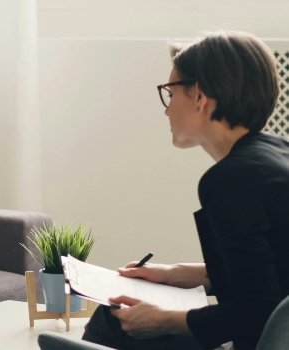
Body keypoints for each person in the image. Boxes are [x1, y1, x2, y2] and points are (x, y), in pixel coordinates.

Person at [82, 31, 289, 349]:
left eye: (170, 92)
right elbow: (270, 273)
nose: (167, 109)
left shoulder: (231, 179)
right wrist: (173, 273)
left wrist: (164, 320)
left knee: (114, 320)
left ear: (200, 97)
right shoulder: (277, 153)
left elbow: (259, 312)